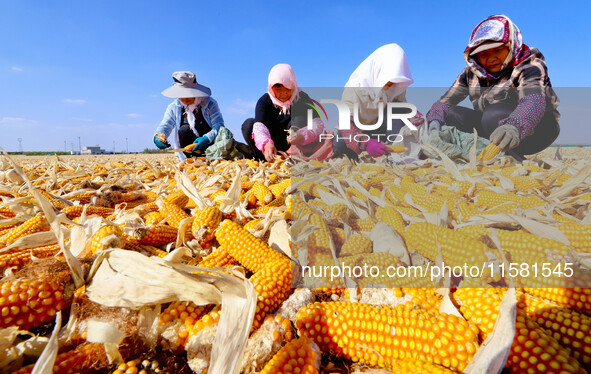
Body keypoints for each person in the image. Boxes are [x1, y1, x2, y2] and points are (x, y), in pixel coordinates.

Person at [426, 15, 560, 157]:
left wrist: (514, 126)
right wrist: (435, 119)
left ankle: (511, 157)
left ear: (511, 44)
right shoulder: (471, 73)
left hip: (537, 128)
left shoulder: (529, 64)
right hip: (492, 127)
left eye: (497, 50)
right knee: (451, 114)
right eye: (483, 53)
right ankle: (484, 154)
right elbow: (445, 102)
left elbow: (533, 101)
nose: (490, 59)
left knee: (492, 114)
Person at [336, 43, 425, 158]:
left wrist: (412, 115)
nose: (391, 85)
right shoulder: (354, 89)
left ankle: (394, 151)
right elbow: (346, 126)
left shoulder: (396, 86)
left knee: (397, 110)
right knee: (340, 143)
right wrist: (366, 143)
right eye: (388, 79)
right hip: (359, 132)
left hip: (380, 129)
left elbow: (400, 107)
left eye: (394, 80)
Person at [241, 63, 325, 162]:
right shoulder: (264, 101)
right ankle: (264, 158)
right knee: (248, 125)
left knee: (298, 119)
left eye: (288, 88)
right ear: (271, 87)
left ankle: (294, 157)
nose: (284, 93)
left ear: (293, 85)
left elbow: (317, 124)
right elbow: (260, 127)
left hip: (294, 143)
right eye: (279, 88)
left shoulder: (302, 98)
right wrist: (266, 144)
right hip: (272, 144)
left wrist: (301, 135)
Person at [153, 71, 225, 161]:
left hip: (209, 145)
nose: (185, 98)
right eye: (182, 95)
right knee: (184, 130)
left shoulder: (210, 104)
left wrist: (207, 138)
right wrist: (158, 136)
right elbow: (166, 124)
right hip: (188, 149)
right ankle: (188, 159)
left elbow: (219, 125)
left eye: (189, 94)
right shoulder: (174, 107)